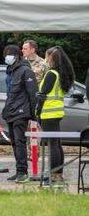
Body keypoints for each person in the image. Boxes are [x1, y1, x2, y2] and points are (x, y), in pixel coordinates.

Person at [36, 46, 75, 186]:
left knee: (52, 146)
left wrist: (37, 112)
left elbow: (42, 95)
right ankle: (58, 175)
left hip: (48, 113)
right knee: (56, 144)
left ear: (51, 57)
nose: (44, 58)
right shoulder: (60, 73)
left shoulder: (51, 74)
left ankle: (52, 176)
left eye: (46, 56)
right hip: (57, 112)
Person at [2, 45, 38, 183]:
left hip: (21, 112)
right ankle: (19, 171)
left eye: (8, 55)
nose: (6, 58)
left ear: (16, 56)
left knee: (20, 142)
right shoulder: (10, 72)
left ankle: (23, 172)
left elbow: (33, 94)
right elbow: (10, 93)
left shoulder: (26, 71)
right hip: (10, 111)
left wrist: (33, 114)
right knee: (14, 144)